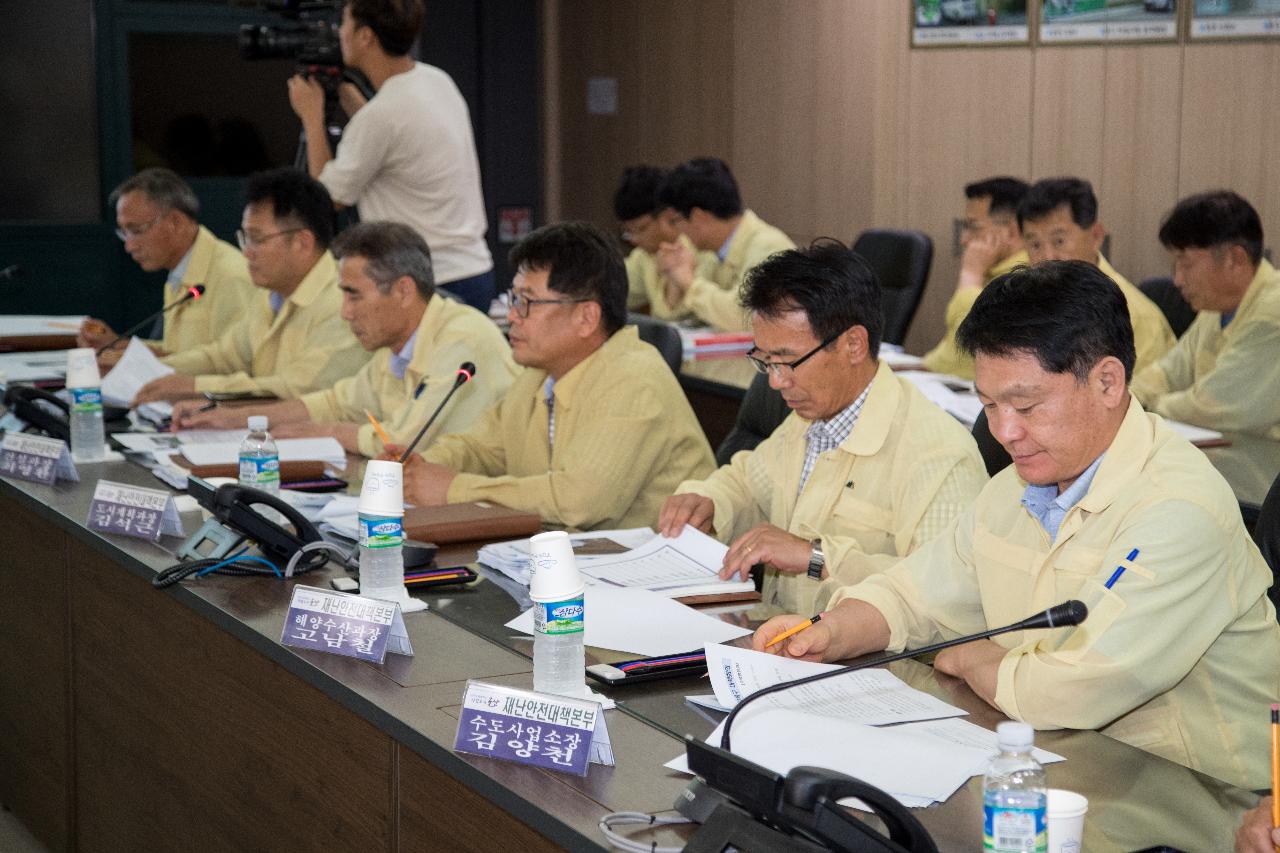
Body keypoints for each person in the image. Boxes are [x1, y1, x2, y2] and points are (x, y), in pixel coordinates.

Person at [755, 261, 1280, 791]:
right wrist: (832, 631)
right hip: (1066, 767)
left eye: (1025, 406)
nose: (1004, 431)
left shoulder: (1179, 508)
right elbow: (916, 591)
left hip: (1204, 798)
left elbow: (1076, 688)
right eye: (988, 405)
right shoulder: (1017, 486)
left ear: (1107, 381)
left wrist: (970, 655)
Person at [658, 242, 986, 614]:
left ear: (853, 345)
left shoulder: (938, 454)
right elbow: (748, 483)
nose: (776, 382)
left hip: (876, 666)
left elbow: (947, 596)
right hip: (783, 646)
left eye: (786, 361)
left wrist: (815, 557)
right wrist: (709, 501)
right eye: (765, 361)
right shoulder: (808, 419)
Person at [394, 221, 715, 529]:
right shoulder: (538, 376)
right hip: (575, 561)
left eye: (526, 302)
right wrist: (420, 466)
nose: (512, 316)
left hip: (659, 574)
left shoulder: (634, 377)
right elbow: (481, 449)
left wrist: (455, 489)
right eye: (513, 298)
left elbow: (578, 501)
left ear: (586, 317)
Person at [167, 221, 517, 457]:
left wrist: (330, 433)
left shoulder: (462, 339)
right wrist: (242, 419)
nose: (345, 312)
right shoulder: (394, 347)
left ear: (403, 291)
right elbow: (337, 402)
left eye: (354, 296)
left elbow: (404, 441)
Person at [287, 0, 494, 311]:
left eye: (343, 23)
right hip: (472, 270)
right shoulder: (436, 80)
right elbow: (392, 137)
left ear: (365, 36)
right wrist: (344, 91)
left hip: (426, 283)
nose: (338, 33)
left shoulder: (382, 116)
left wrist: (311, 117)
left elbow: (326, 197)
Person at [133, 168, 368, 404]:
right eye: (245, 237)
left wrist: (194, 386)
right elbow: (223, 357)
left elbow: (293, 388)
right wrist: (152, 371)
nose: (246, 252)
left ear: (302, 242)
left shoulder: (343, 303)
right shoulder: (271, 294)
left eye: (257, 239)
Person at [1132, 190, 1280, 439]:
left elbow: (1217, 405)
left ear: (1235, 259)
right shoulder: (1215, 309)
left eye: (1186, 263)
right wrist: (1129, 397)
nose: (1177, 280)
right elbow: (1169, 372)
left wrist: (1149, 406)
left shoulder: (1272, 313)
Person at [78, 168, 256, 360]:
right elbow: (177, 351)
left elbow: (231, 364)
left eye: (136, 230)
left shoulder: (232, 276)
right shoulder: (181, 270)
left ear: (175, 222)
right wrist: (117, 344)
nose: (128, 246)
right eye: (124, 233)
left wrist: (124, 353)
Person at [1017, 177, 1174, 373]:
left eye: (1059, 241)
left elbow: (1140, 398)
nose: (1047, 257)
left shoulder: (1136, 315)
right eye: (1035, 245)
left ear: (1096, 236)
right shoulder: (1026, 300)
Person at [653, 157, 795, 331]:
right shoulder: (708, 249)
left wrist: (689, 283)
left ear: (698, 216)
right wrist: (675, 277)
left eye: (676, 220)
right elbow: (671, 317)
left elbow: (743, 317)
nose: (678, 231)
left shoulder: (770, 248)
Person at [921, 176, 1029, 379]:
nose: (964, 239)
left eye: (973, 226)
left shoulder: (1025, 279)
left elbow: (970, 345)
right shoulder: (990, 270)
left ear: (1011, 230)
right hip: (938, 379)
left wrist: (971, 275)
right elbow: (948, 355)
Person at [614, 165, 716, 320]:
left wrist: (676, 280)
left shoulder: (705, 248)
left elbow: (680, 316)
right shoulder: (643, 256)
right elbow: (611, 289)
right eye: (628, 232)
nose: (634, 239)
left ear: (669, 216)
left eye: (641, 229)